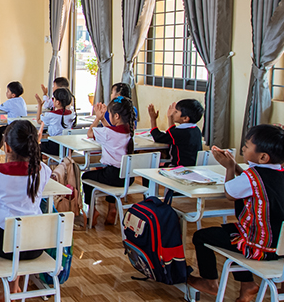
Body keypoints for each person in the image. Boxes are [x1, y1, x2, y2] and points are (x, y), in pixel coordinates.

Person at [187, 125, 284, 302]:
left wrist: (229, 168)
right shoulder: (282, 173)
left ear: (263, 157)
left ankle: (210, 282)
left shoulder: (253, 176)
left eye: (247, 146)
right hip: (283, 244)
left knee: (202, 236)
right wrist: (235, 166)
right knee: (230, 234)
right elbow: (250, 179)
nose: (243, 148)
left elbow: (230, 193)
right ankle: (247, 284)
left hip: (261, 245)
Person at [0, 120, 52, 298]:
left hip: (6, 245)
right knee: (20, 227)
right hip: (36, 243)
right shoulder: (43, 170)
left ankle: (6, 283)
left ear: (6, 147)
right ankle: (15, 285)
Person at [81, 97, 137, 226]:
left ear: (116, 116)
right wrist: (103, 119)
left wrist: (97, 118)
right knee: (107, 174)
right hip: (128, 178)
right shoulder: (130, 131)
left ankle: (93, 210)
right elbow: (111, 131)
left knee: (86, 177)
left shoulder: (108, 133)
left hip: (112, 176)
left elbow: (90, 133)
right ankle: (112, 208)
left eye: (109, 114)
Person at [147, 99, 204, 167]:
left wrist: (153, 119)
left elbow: (158, 137)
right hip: (193, 167)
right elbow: (173, 134)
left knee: (151, 166)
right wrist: (170, 117)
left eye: (176, 112)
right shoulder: (196, 130)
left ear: (185, 118)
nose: (173, 113)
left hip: (179, 167)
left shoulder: (179, 133)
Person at [38, 87, 75, 155]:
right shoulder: (71, 114)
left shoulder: (51, 115)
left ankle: (40, 161)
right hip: (68, 147)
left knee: (36, 146)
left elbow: (38, 120)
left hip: (55, 147)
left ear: (57, 102)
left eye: (53, 99)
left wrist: (39, 105)